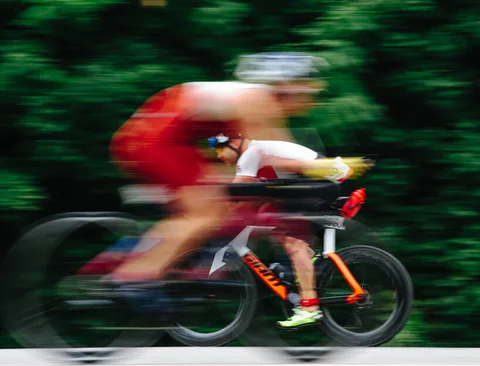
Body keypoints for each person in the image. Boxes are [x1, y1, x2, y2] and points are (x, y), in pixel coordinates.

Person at [107, 52, 331, 287]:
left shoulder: (263, 105)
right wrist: (319, 168)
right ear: (290, 88)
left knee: (237, 190)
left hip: (166, 141)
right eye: (311, 93)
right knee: (206, 212)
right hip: (155, 142)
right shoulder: (257, 101)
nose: (313, 101)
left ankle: (199, 255)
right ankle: (134, 277)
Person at [207, 133, 352, 328]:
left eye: (219, 149)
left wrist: (203, 215)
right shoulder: (259, 155)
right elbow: (249, 200)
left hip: (319, 182)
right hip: (315, 182)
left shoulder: (250, 154)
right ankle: (308, 261)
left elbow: (234, 192)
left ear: (234, 143)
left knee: (294, 243)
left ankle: (309, 308)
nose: (218, 156)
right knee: (267, 213)